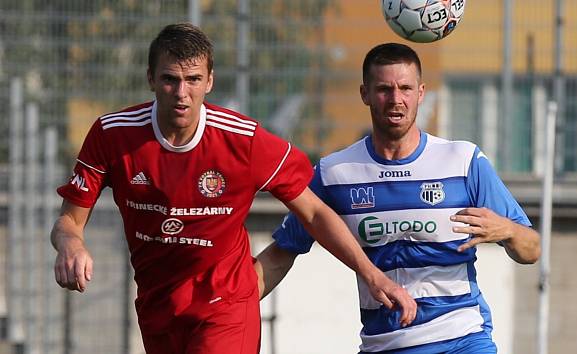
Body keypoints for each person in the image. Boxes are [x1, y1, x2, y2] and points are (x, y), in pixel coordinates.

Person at [50, 24, 417, 354]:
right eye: (170, 79)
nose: (182, 93)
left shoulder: (243, 140)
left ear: (209, 81)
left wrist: (372, 274)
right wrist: (71, 245)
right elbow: (69, 221)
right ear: (150, 78)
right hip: (158, 303)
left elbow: (315, 211)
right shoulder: (114, 135)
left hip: (225, 302)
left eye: (193, 79)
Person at [255, 43, 541, 354]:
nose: (396, 100)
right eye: (384, 89)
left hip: (463, 338)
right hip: (385, 344)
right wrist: (224, 306)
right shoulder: (335, 173)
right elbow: (282, 252)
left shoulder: (463, 161)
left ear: (421, 92)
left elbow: (532, 250)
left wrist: (510, 231)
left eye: (405, 88)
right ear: (365, 94)